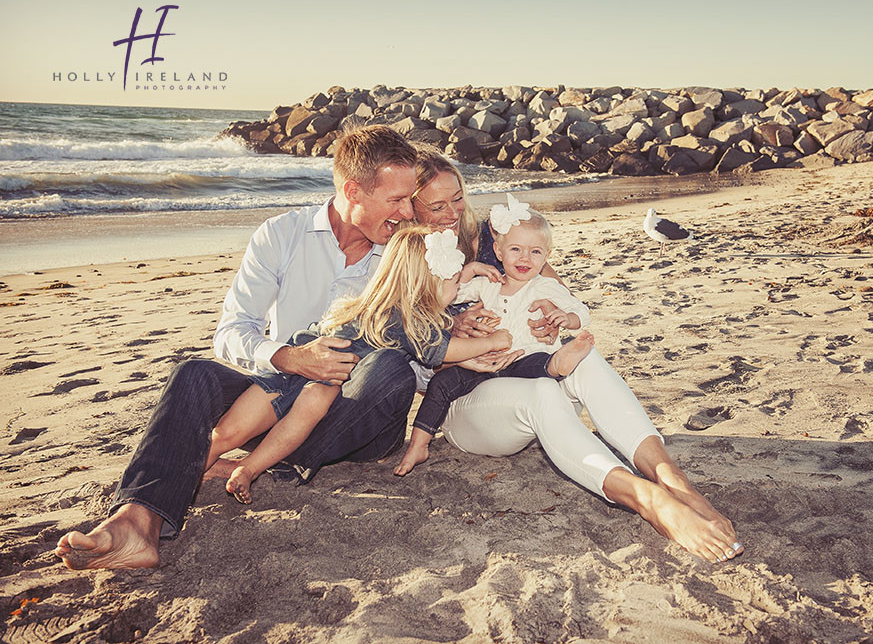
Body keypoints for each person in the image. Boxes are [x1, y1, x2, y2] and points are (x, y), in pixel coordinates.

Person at [55, 125, 422, 570]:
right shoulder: (281, 235)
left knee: (389, 369)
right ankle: (138, 523)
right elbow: (231, 332)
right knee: (193, 374)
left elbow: (419, 357)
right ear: (353, 191)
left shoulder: (405, 253)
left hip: (353, 421)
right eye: (397, 200)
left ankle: (260, 466)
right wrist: (290, 357)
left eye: (410, 199)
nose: (407, 211)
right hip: (272, 401)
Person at [408, 149, 744, 563]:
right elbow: (409, 354)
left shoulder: (492, 240)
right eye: (436, 205)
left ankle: (672, 480)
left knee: (583, 358)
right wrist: (455, 339)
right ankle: (646, 499)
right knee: (544, 395)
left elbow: (559, 295)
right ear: (410, 205)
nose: (452, 212)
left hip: (524, 367)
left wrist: (551, 319)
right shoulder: (405, 256)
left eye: (457, 198)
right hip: (467, 404)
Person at [206, 226, 514, 504]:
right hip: (319, 378)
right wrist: (492, 341)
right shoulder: (408, 320)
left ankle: (239, 468)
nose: (459, 287)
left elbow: (441, 331)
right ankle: (239, 468)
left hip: (297, 375)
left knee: (229, 433)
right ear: (426, 285)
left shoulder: (383, 308)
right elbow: (446, 349)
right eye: (455, 280)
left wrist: (472, 267)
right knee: (245, 428)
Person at [394, 201, 596, 475]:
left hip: (522, 360)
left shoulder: (546, 286)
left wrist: (567, 318)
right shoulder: (488, 284)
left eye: (535, 252)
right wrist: (473, 268)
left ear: (546, 256)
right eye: (516, 250)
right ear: (498, 252)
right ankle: (419, 444)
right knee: (441, 383)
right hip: (484, 363)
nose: (525, 259)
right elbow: (453, 290)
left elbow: (579, 309)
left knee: (537, 360)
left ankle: (557, 365)